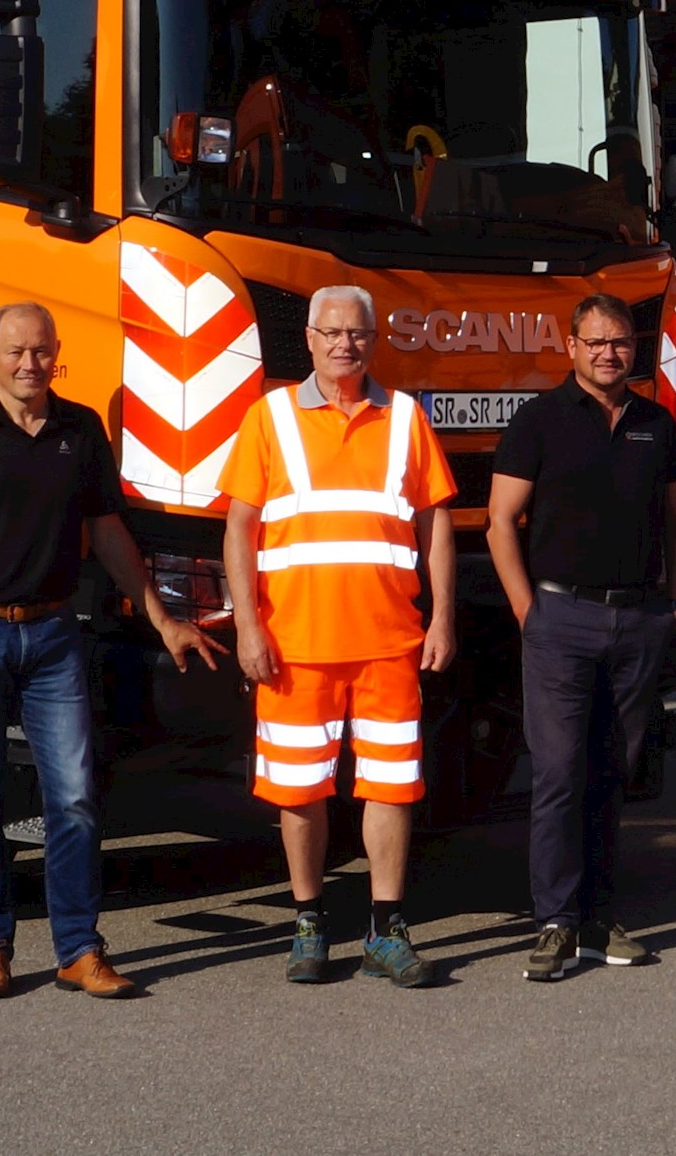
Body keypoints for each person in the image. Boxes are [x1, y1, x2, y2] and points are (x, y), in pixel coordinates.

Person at [0, 302, 221, 1001]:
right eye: (15, 350)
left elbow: (107, 535)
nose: (28, 363)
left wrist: (163, 619)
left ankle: (78, 949)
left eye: (40, 351)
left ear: (56, 354)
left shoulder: (80, 430)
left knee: (73, 798)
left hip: (52, 638)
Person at [224, 284, 459, 988]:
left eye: (357, 333)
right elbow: (239, 526)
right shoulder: (269, 418)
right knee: (299, 791)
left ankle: (386, 929)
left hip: (389, 640)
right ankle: (309, 923)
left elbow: (435, 522)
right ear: (310, 337)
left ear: (373, 339)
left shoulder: (407, 418)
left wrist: (442, 613)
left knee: (390, 787)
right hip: (293, 644)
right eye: (332, 333)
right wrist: (246, 623)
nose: (344, 345)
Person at [488, 292, 676, 982]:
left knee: (614, 771)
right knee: (557, 774)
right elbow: (500, 522)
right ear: (571, 346)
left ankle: (600, 918)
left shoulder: (656, 423)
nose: (610, 353)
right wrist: (528, 611)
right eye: (596, 342)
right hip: (560, 620)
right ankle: (553, 921)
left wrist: (672, 600)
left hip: (637, 618)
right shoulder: (539, 419)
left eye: (621, 343)